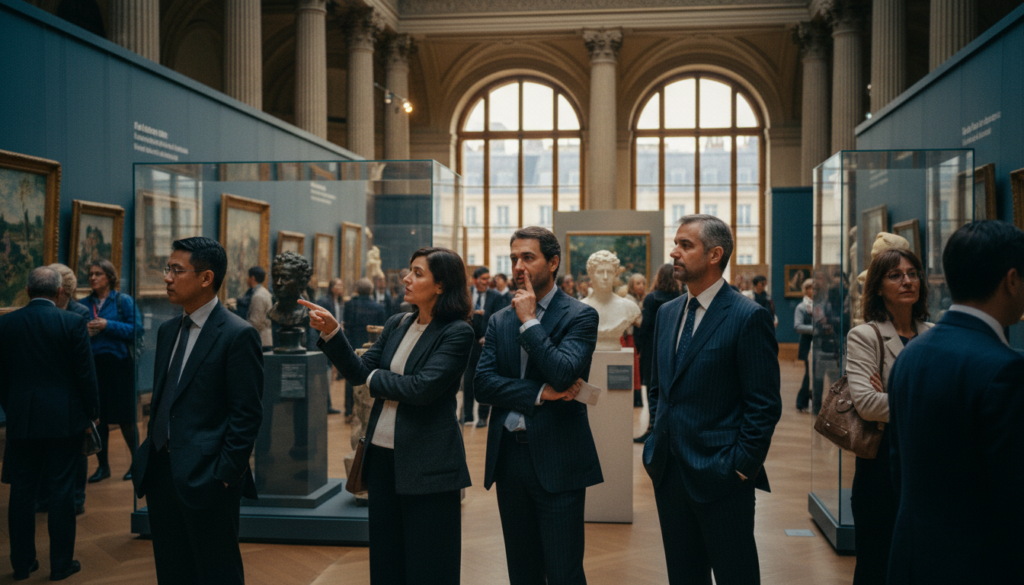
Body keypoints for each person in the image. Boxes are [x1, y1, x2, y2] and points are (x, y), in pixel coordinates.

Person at [301, 247, 475, 585]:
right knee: (386, 559)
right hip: (382, 459)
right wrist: (334, 333)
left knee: (429, 564)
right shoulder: (398, 323)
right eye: (409, 271)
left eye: (418, 273)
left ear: (441, 285)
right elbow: (359, 371)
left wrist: (374, 380)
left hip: (428, 463)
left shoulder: (456, 332)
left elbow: (421, 389)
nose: (406, 278)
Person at [642, 214, 781, 584]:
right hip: (669, 473)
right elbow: (659, 388)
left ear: (715, 254)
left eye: (686, 245)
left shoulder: (747, 316)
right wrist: (658, 438)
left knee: (736, 575)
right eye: (676, 243)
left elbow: (764, 404)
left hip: (722, 476)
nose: (674, 252)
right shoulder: (668, 312)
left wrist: (739, 467)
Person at [887, 221, 1024, 584]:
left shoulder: (911, 355)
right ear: (1012, 280)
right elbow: (1012, 492)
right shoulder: (1005, 369)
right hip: (978, 565)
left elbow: (899, 469)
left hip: (912, 557)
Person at [130, 237, 264, 585]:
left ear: (206, 278)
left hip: (208, 478)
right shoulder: (167, 330)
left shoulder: (238, 335)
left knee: (217, 571)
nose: (167, 278)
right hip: (161, 472)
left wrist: (224, 475)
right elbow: (165, 399)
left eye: (177, 270)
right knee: (173, 570)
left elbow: (246, 414)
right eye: (167, 269)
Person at [475, 226, 602, 585]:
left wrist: (530, 321)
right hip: (509, 460)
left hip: (558, 458)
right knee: (522, 570)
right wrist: (539, 394)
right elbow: (482, 385)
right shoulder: (500, 319)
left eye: (527, 257)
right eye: (514, 258)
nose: (518, 265)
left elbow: (562, 374)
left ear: (553, 262)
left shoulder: (580, 315)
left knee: (563, 571)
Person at [0, 267, 99, 581]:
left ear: (27, 292)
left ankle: (22, 564)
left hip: (22, 419)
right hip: (64, 420)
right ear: (59, 293)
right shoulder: (72, 322)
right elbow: (86, 375)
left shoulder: (6, 324)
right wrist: (90, 414)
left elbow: (1, 377)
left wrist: (13, 407)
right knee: (61, 492)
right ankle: (60, 564)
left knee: (22, 492)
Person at [845, 248, 932, 585]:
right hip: (881, 466)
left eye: (913, 273)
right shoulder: (865, 336)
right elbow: (867, 403)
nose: (907, 281)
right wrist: (929, 401)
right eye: (895, 275)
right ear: (878, 287)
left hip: (928, 465)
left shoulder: (935, 332)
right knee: (876, 563)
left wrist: (892, 395)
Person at [79, 259, 142, 483]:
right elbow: (74, 332)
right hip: (94, 366)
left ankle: (137, 464)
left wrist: (107, 325)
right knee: (99, 419)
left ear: (109, 277)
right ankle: (102, 466)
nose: (93, 278)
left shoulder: (122, 301)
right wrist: (85, 331)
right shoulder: (83, 304)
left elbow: (137, 329)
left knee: (125, 418)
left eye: (98, 273)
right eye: (90, 274)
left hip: (119, 365)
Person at [36, 264, 91, 516]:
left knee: (77, 451)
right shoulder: (39, 314)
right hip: (45, 392)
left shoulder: (79, 312)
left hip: (71, 392)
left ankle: (77, 497)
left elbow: (86, 363)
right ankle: (46, 494)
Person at [633, 263, 681, 443]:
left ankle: (653, 429)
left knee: (653, 389)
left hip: (653, 348)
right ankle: (667, 430)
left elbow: (645, 328)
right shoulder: (680, 297)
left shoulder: (652, 298)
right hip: (674, 348)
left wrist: (638, 347)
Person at [465, 266, 509, 426]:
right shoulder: (466, 293)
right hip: (469, 344)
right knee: (468, 380)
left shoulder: (496, 296)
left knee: (484, 379)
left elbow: (501, 317)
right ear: (475, 280)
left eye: (488, 278)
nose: (487, 282)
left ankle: (483, 416)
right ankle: (467, 415)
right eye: (483, 279)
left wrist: (488, 336)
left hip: (486, 343)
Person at [343, 278, 388, 421]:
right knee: (370, 376)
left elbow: (347, 325)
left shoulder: (350, 305)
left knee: (351, 377)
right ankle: (370, 410)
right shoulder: (378, 307)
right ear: (370, 290)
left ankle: (349, 411)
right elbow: (382, 330)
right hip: (372, 346)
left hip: (352, 344)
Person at [317, 278, 347, 414]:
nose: (340, 287)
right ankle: (324, 404)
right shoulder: (324, 301)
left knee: (330, 373)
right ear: (331, 287)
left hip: (334, 338)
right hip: (325, 339)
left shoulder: (340, 303)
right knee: (326, 372)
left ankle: (327, 403)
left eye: (341, 285)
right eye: (337, 285)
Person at [624, 273, 647, 407]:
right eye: (637, 283)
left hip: (636, 337)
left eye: (643, 283)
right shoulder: (629, 300)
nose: (641, 286)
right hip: (630, 337)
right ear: (632, 285)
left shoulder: (640, 299)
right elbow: (638, 321)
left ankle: (636, 398)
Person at [793, 278, 815, 413]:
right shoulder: (801, 307)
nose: (814, 290)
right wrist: (816, 329)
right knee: (809, 373)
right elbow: (798, 326)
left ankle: (805, 401)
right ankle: (801, 401)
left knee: (813, 374)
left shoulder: (820, 304)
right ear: (806, 290)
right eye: (812, 287)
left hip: (820, 344)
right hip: (808, 344)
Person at [244, 266, 273, 351]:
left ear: (252, 278)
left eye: (248, 277)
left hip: (260, 340)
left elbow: (256, 321)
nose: (247, 279)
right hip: (263, 339)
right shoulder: (264, 292)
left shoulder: (258, 296)